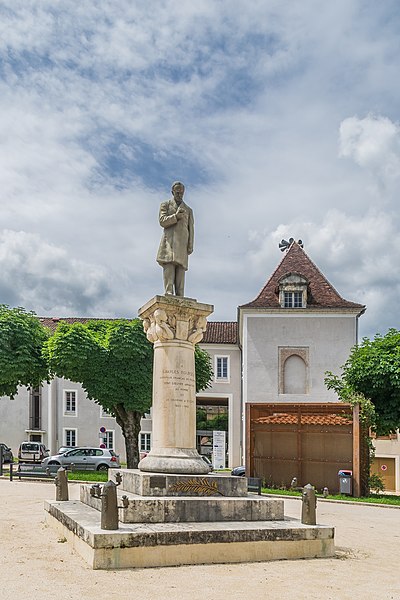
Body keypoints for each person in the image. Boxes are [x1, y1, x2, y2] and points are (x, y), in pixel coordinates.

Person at [156, 181, 194, 296]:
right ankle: (169, 291)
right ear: (172, 191)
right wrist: (175, 217)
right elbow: (162, 221)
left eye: (181, 191)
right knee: (169, 264)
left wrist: (190, 244)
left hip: (182, 243)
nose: (179, 193)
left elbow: (191, 228)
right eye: (177, 191)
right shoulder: (165, 205)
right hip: (169, 241)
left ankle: (180, 294)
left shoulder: (188, 210)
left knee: (181, 268)